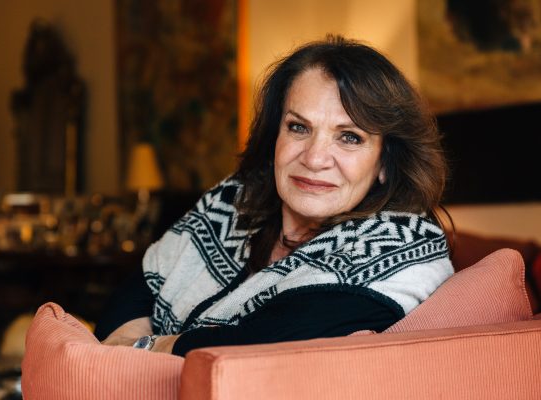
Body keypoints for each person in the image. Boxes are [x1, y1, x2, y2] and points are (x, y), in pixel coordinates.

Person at [95, 35, 454, 356]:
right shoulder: (234, 199)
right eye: (298, 127)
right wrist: (133, 351)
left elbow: (262, 345)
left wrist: (143, 348)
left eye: (349, 137)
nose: (314, 158)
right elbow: (132, 295)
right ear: (274, 137)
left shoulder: (403, 249)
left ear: (385, 162)